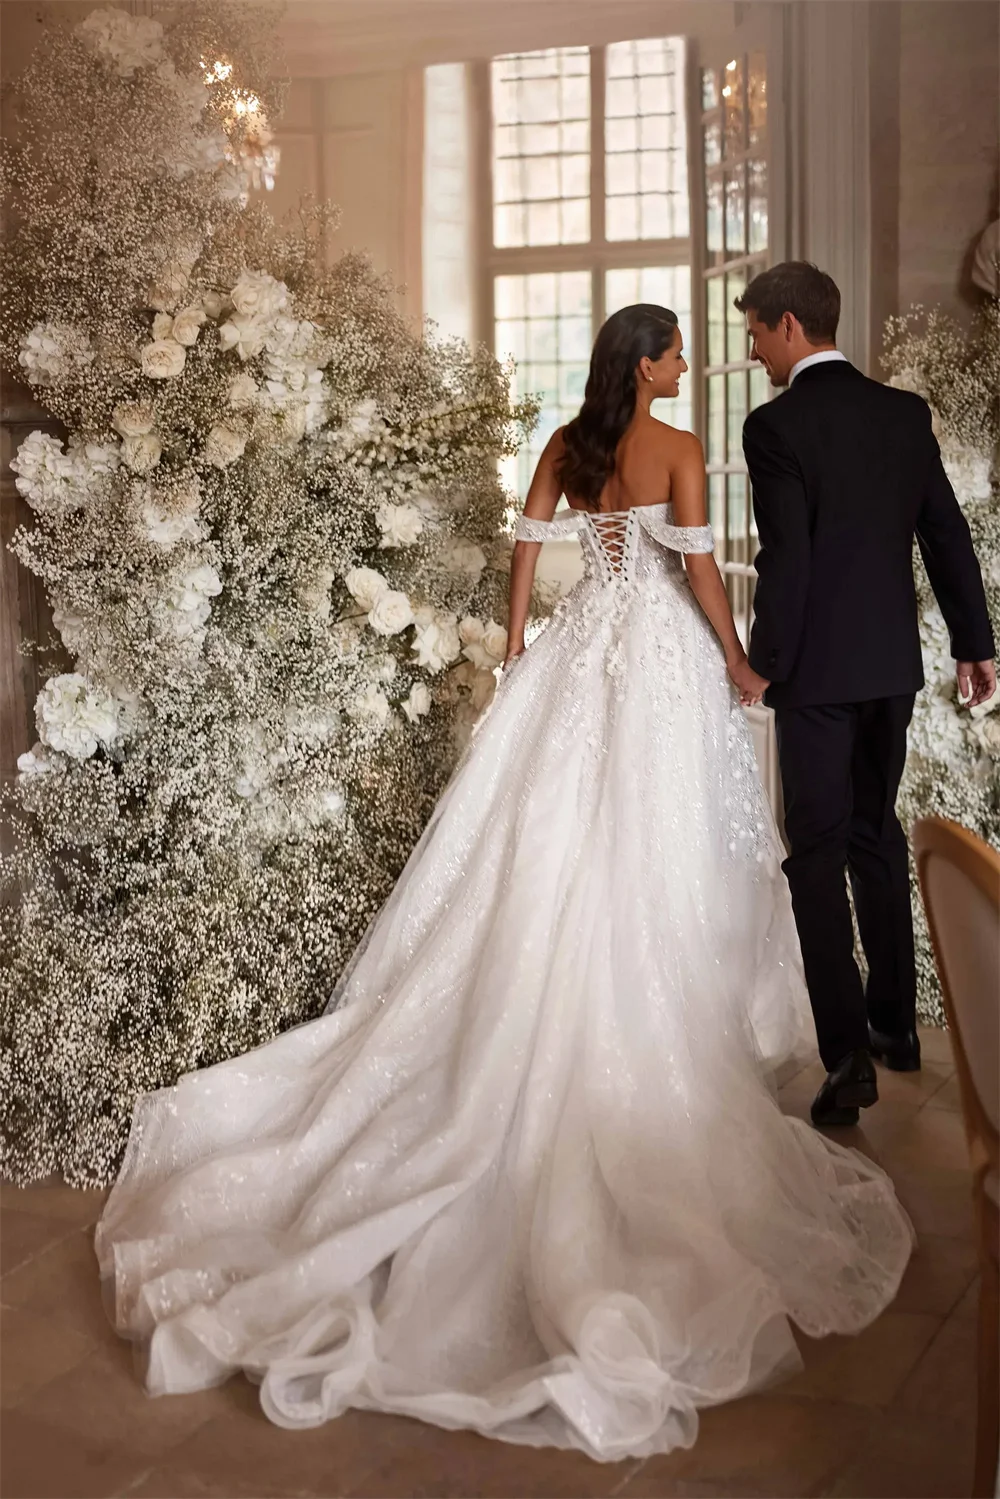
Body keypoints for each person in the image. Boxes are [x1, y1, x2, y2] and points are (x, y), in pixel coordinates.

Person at [95, 305, 914, 1464]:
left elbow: (528, 550)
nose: (683, 365)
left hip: (578, 655)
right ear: (645, 362)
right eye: (674, 350)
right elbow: (698, 582)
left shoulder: (567, 446)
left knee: (546, 836)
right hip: (659, 662)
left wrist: (522, 646)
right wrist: (734, 660)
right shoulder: (674, 447)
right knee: (653, 838)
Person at [735, 262, 996, 1128]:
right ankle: (897, 1027)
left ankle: (847, 1058)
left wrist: (765, 661)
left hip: (814, 675)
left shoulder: (775, 427)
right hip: (890, 670)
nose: (754, 348)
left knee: (815, 854)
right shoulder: (902, 414)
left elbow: (790, 562)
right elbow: (946, 534)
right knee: (874, 835)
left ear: (789, 327)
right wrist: (976, 643)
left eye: (757, 331)